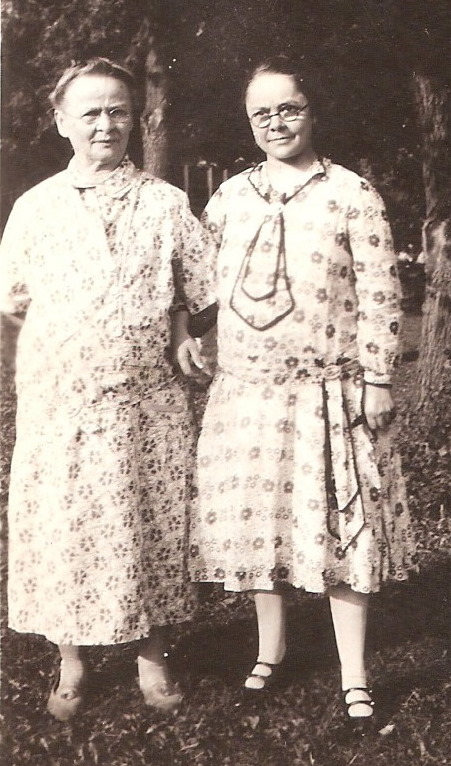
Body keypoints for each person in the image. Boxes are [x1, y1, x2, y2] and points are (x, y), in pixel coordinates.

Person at [175, 55, 417, 732]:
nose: (276, 122)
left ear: (312, 111)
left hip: (327, 393)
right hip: (247, 392)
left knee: (343, 529)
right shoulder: (229, 197)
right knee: (261, 526)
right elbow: (200, 282)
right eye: (263, 112)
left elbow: (381, 292)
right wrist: (185, 330)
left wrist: (377, 378)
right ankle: (270, 650)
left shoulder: (351, 193)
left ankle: (354, 674)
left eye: (289, 108)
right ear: (248, 121)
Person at [0, 57, 215, 721]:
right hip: (61, 399)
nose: (105, 124)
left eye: (117, 110)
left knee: (148, 517)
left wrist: (179, 330)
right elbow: (13, 302)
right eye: (90, 112)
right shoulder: (35, 208)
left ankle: (152, 651)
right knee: (66, 519)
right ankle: (72, 657)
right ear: (61, 122)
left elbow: (197, 289)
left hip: (147, 398)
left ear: (134, 119)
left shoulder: (165, 202)